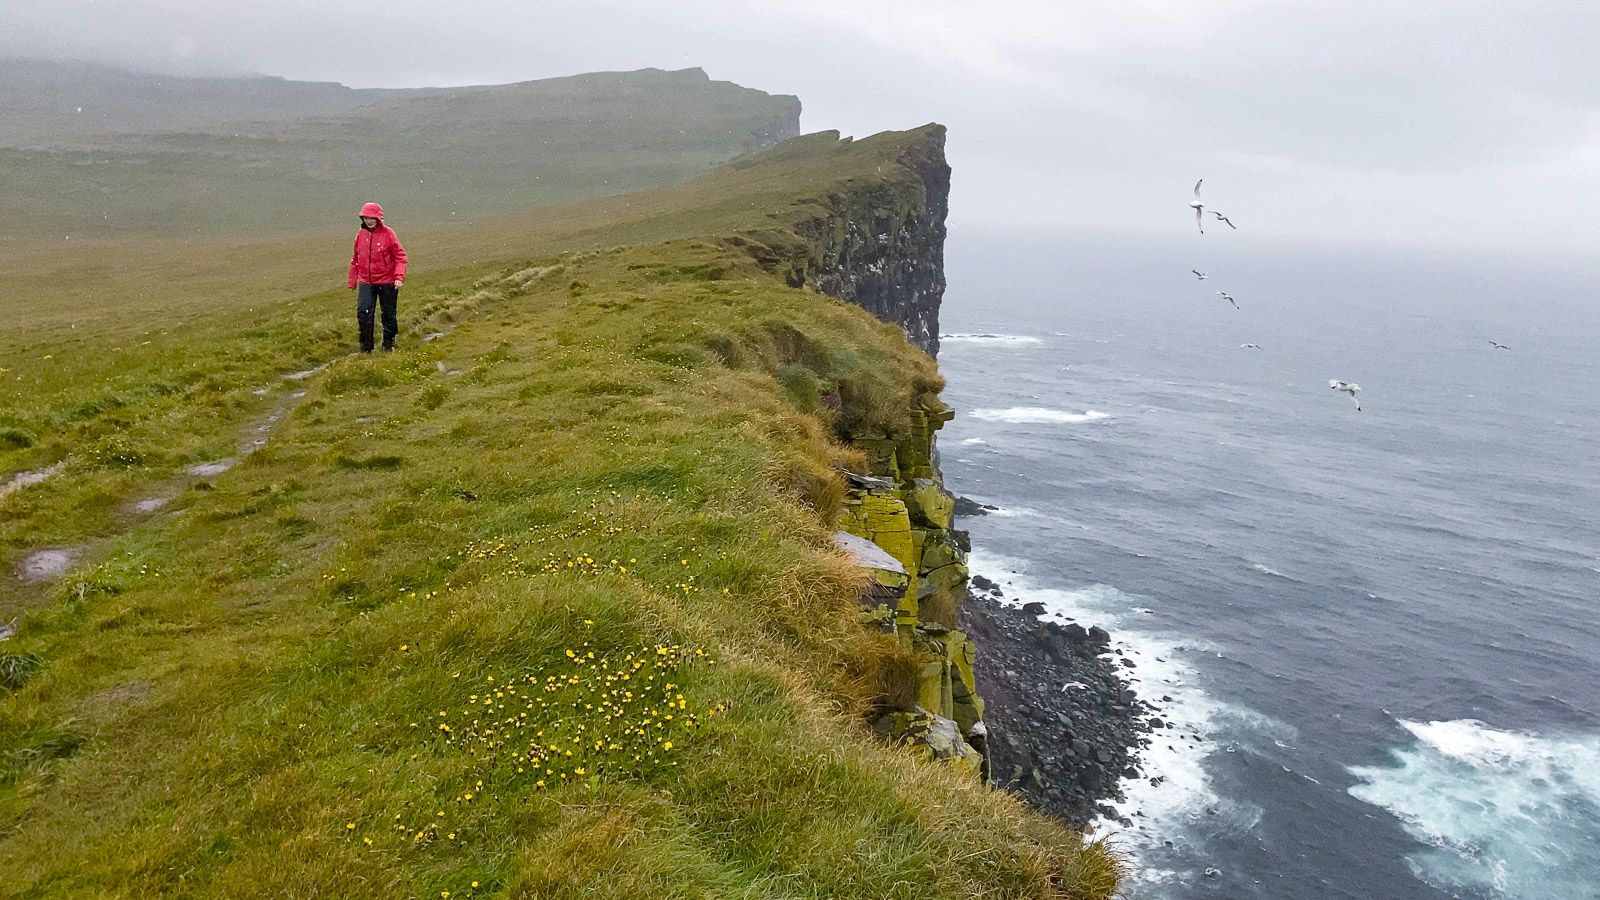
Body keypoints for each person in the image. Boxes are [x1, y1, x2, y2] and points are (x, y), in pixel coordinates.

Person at [347, 202, 409, 352]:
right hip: (366, 281)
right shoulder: (360, 235)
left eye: (372, 218)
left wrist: (399, 277)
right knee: (364, 313)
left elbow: (401, 256)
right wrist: (352, 280)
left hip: (388, 282)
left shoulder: (388, 234)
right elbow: (356, 258)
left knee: (388, 314)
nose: (369, 221)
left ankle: (389, 344)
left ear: (378, 218)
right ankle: (366, 348)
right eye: (366, 217)